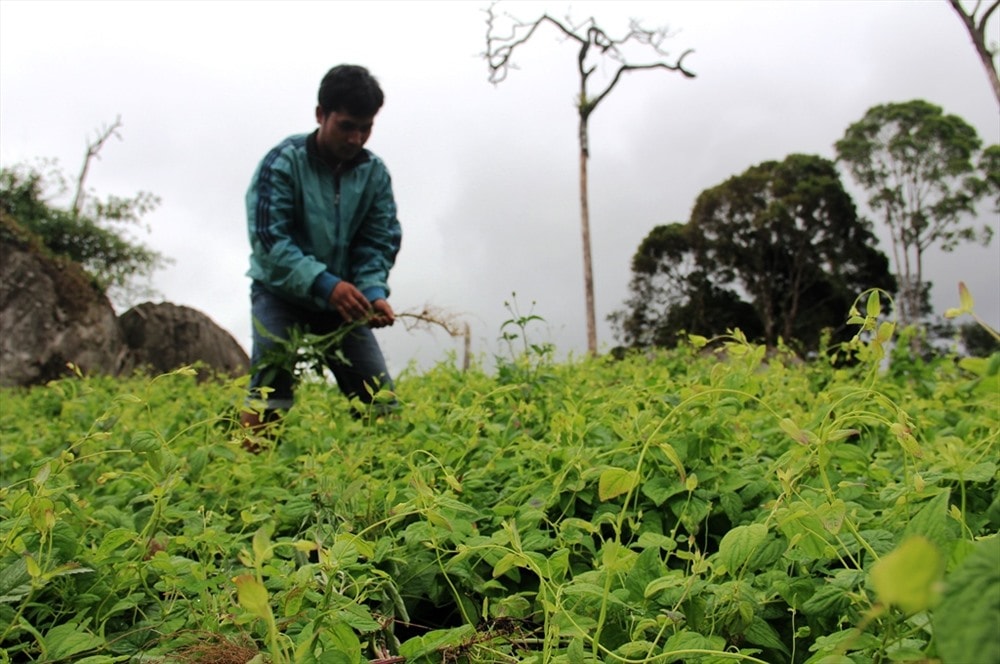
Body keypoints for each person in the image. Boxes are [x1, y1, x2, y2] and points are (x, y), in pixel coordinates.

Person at [241, 64, 402, 445]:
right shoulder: (282, 162)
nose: (356, 138)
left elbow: (378, 240)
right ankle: (244, 476)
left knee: (379, 400)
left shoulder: (374, 174)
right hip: (280, 294)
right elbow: (269, 239)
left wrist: (373, 290)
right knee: (270, 393)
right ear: (320, 115)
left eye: (365, 128)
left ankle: (389, 476)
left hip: (343, 303)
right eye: (347, 125)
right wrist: (325, 283)